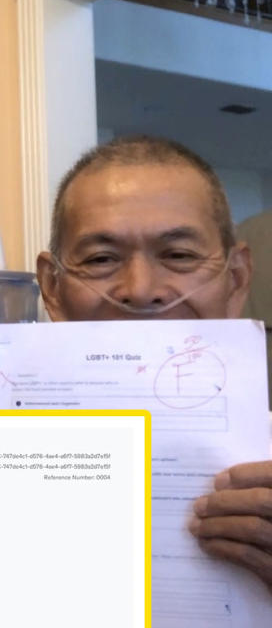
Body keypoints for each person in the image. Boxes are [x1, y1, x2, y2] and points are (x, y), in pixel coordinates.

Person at [35, 134, 272, 590]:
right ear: (51, 287)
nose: (141, 290)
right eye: (102, 259)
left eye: (179, 255)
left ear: (236, 279)